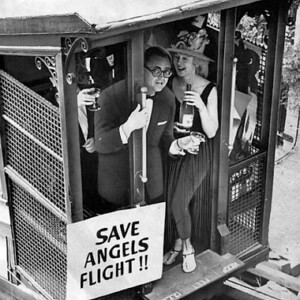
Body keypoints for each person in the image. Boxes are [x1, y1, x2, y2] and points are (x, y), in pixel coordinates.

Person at [94, 46, 198, 211]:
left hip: (153, 187)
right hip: (117, 190)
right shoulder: (110, 96)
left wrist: (177, 145)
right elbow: (100, 143)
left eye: (166, 72)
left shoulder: (168, 99)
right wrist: (127, 128)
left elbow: (165, 138)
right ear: (140, 69)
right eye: (156, 71)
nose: (162, 78)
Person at [163, 29, 219, 273]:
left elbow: (212, 131)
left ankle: (187, 248)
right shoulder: (173, 83)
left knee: (178, 203)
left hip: (197, 154)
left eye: (185, 59)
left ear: (196, 62)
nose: (179, 63)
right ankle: (176, 241)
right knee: (172, 201)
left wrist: (201, 107)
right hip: (176, 150)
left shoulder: (209, 90)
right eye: (177, 58)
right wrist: (175, 128)